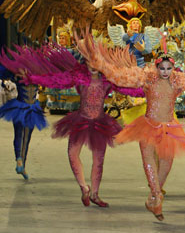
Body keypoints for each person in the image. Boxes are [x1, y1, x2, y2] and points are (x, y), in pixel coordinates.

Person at [76, 30, 185, 221]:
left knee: (166, 164)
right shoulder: (147, 78)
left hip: (170, 127)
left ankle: (153, 196)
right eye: (162, 68)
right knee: (149, 161)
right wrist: (100, 63)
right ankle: (157, 197)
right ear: (157, 68)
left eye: (169, 69)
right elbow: (119, 76)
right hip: (148, 126)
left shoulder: (178, 81)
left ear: (173, 69)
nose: (165, 72)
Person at [8, 43, 144, 207]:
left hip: (100, 123)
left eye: (96, 62)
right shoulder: (79, 78)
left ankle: (95, 193)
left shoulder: (108, 80)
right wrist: (31, 78)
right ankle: (84, 188)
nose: (93, 66)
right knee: (72, 153)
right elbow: (54, 81)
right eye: (89, 62)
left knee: (98, 160)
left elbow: (128, 89)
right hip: (80, 120)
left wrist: (148, 90)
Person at [0, 58, 47, 180]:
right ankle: (22, 165)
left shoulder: (19, 74)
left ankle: (19, 161)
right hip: (32, 109)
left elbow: (3, 75)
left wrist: (9, 76)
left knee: (19, 135)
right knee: (26, 138)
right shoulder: (37, 75)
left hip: (20, 107)